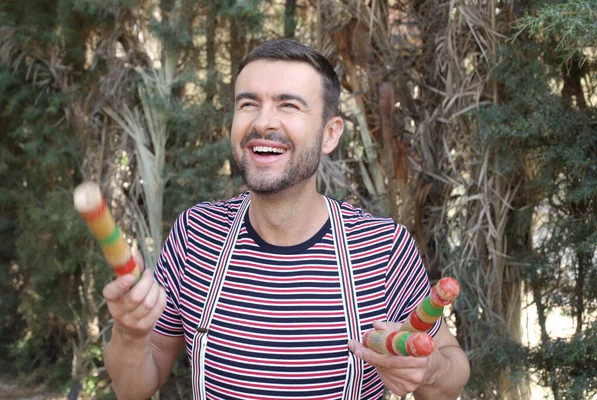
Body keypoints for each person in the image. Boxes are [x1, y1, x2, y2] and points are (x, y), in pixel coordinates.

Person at [103, 39, 470, 400]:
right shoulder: (195, 235)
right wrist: (130, 334)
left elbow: (451, 375)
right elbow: (133, 388)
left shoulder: (383, 248)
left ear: (330, 134)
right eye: (248, 104)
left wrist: (429, 369)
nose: (263, 122)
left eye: (288, 105)